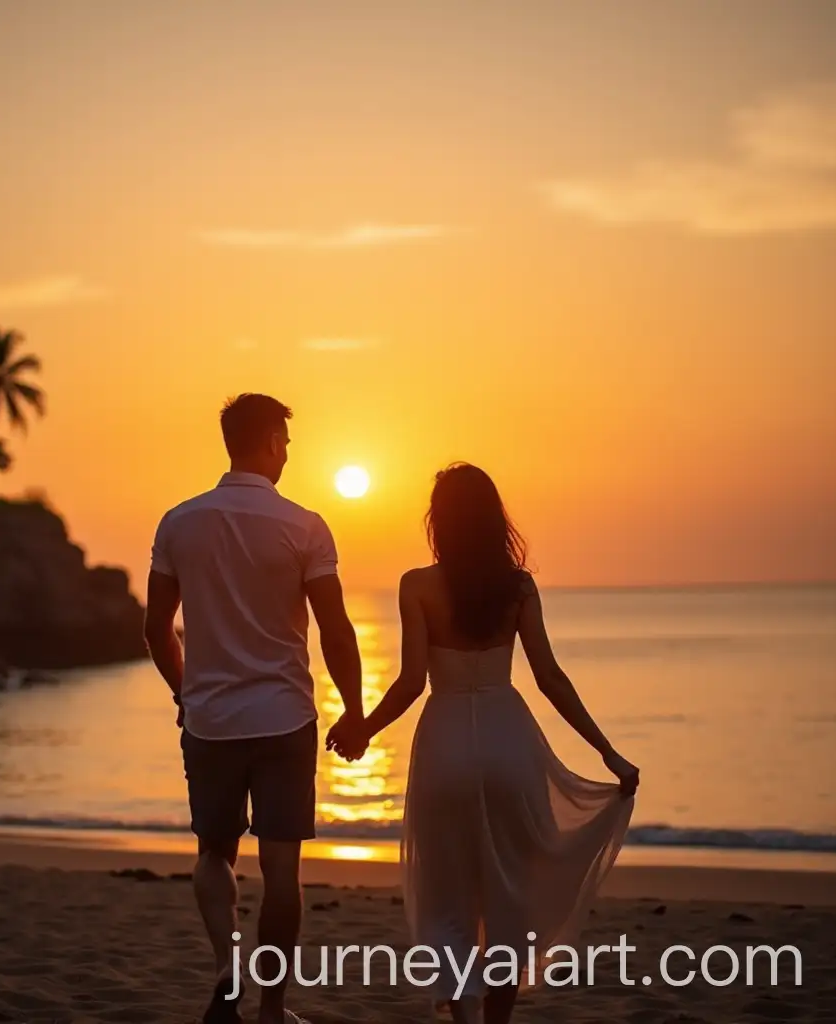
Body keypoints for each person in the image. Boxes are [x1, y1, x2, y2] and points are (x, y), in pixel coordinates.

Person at [328, 462, 639, 1024]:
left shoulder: (416, 585)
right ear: (494, 520)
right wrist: (606, 752)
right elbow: (550, 678)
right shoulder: (517, 587)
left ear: (438, 521)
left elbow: (410, 683)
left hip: (444, 745)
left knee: (447, 890)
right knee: (509, 893)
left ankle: (464, 1010)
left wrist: (362, 729)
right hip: (508, 743)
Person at [145, 393, 364, 1024]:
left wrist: (183, 692)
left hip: (210, 719)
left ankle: (225, 966)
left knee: (214, 852)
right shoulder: (304, 525)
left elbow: (158, 627)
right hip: (285, 718)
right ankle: (271, 1010)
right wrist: (354, 708)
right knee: (281, 869)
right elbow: (337, 629)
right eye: (287, 442)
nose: (289, 453)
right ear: (270, 441)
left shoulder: (179, 522)